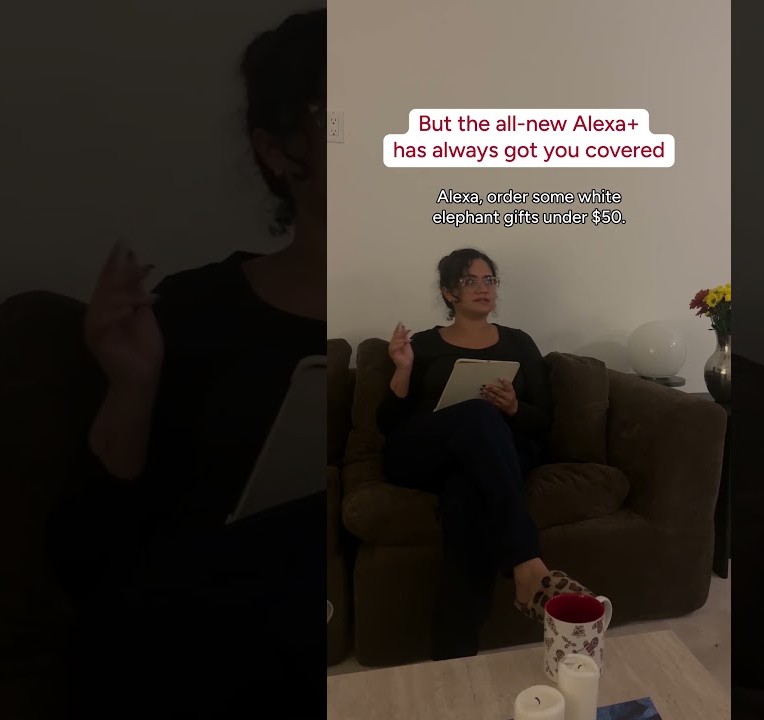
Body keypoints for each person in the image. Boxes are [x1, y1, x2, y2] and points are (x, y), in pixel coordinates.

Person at [50, 9, 326, 718]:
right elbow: (86, 559)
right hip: (197, 643)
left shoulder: (440, 314)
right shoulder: (198, 310)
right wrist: (131, 387)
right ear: (279, 151)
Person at [378, 248, 597, 661]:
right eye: (469, 281)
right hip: (424, 456)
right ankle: (527, 563)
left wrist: (513, 408)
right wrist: (403, 368)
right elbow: (390, 424)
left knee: (466, 496)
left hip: (491, 459)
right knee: (477, 413)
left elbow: (544, 419)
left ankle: (453, 654)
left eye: (489, 280)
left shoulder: (519, 342)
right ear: (449, 292)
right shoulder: (422, 344)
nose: (483, 288)